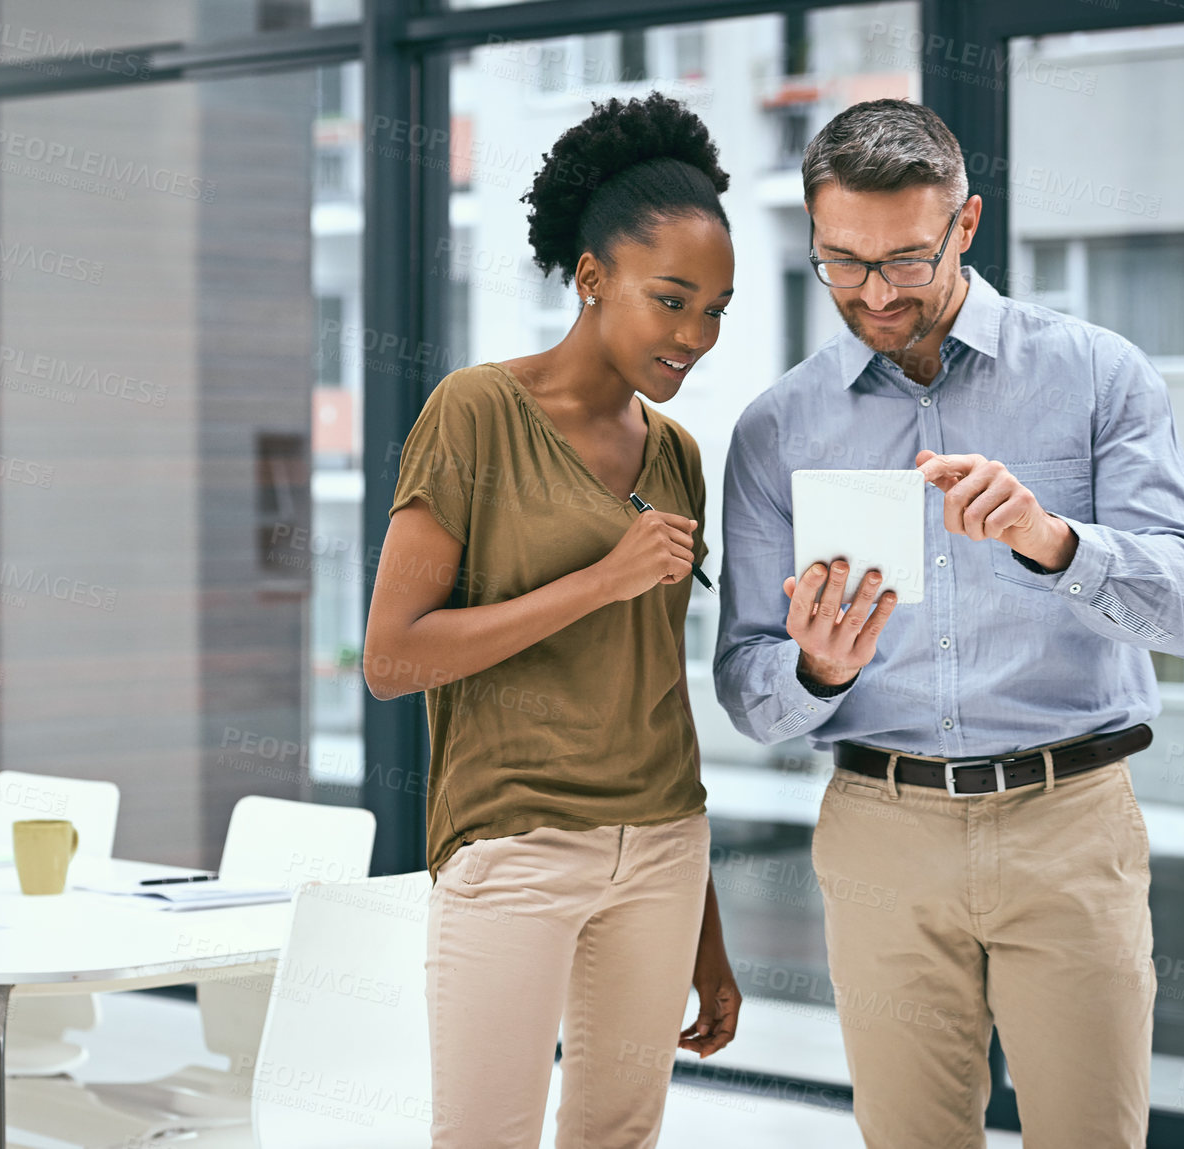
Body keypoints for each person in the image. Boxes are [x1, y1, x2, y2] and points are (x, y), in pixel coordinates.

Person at [714, 98, 1184, 1149]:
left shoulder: (1096, 375)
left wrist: (1056, 541)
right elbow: (746, 686)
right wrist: (814, 671)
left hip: (1069, 822)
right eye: (842, 262)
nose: (873, 293)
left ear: (966, 224)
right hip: (880, 828)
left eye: (906, 259)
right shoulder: (778, 427)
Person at [362, 92, 740, 1148]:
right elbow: (392, 657)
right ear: (590, 278)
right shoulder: (476, 412)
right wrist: (598, 579)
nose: (694, 335)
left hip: (665, 846)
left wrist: (707, 933)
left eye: (715, 310)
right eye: (672, 300)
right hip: (514, 843)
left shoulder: (676, 457)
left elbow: (660, 690)